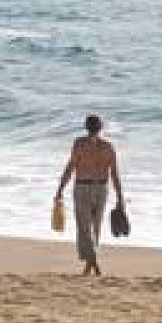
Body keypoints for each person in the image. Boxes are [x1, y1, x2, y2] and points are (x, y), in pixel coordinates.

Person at [55, 115, 124, 276]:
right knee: (96, 227)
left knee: (84, 228)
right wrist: (120, 197)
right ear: (100, 128)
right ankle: (89, 266)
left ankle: (93, 262)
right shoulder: (108, 147)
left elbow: (70, 167)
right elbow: (115, 174)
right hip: (101, 189)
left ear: (86, 127)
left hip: (82, 188)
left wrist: (60, 189)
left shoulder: (79, 144)